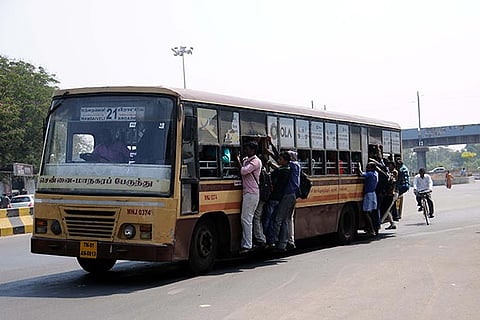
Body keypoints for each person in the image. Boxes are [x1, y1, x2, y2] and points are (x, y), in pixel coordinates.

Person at [236, 141, 262, 253]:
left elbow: (243, 171)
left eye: (247, 149)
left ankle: (248, 244)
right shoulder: (247, 160)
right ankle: (246, 243)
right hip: (247, 192)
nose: (245, 151)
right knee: (246, 218)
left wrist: (237, 159)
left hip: (252, 193)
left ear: (252, 150)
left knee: (246, 219)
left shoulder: (256, 162)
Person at [263, 152, 291, 247]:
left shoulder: (281, 171)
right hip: (280, 198)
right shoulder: (288, 170)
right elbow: (278, 168)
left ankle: (267, 239)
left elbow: (270, 175)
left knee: (268, 219)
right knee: (275, 219)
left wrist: (268, 164)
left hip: (273, 198)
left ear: (286, 161)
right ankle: (273, 240)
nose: (279, 160)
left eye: (281, 159)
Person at [358, 162, 378, 236]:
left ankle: (372, 229)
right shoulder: (375, 174)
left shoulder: (369, 174)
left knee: (365, 212)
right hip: (373, 193)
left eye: (368, 167)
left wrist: (359, 167)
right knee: (370, 212)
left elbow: (361, 174)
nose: (367, 169)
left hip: (368, 194)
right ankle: (372, 228)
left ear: (372, 168)